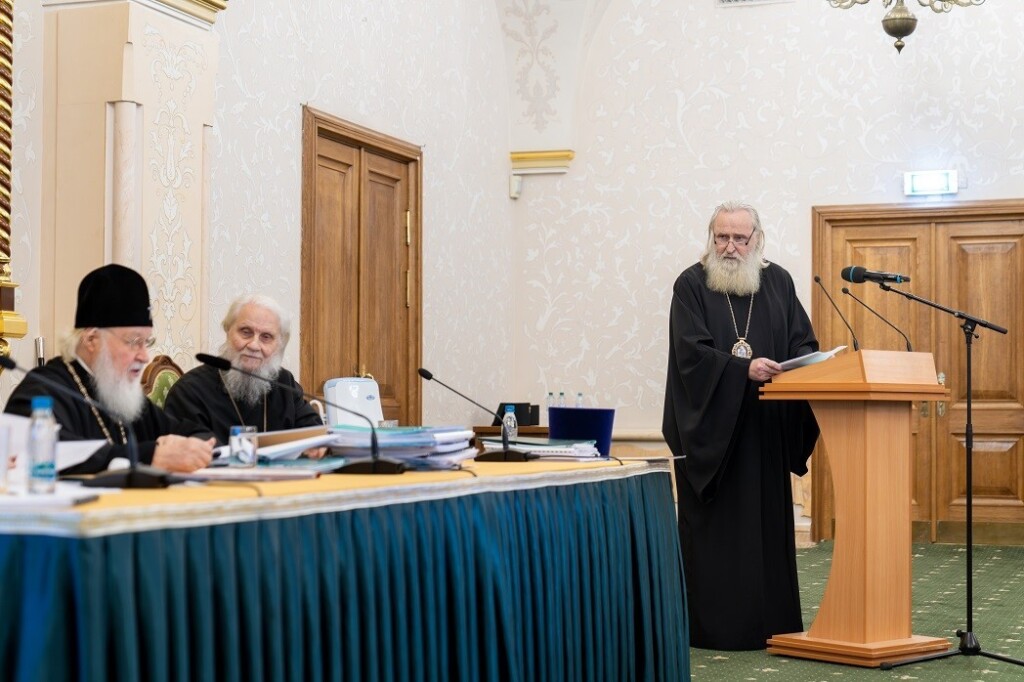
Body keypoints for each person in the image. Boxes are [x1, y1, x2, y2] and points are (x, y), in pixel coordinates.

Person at [662, 201, 820, 651]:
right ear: (711, 237)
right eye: (721, 237)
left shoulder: (779, 282)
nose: (729, 247)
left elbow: (802, 341)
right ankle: (713, 629)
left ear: (757, 240)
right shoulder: (691, 284)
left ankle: (772, 624)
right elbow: (689, 354)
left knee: (764, 534)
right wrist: (740, 370)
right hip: (713, 437)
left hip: (765, 430)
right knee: (718, 537)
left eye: (739, 238)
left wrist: (799, 364)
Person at [5, 264, 216, 474]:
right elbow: (40, 452)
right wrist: (147, 456)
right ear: (91, 339)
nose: (145, 356)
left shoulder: (123, 397)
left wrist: (194, 448)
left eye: (147, 342)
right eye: (134, 341)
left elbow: (195, 433)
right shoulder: (42, 389)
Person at [164, 294, 325, 456]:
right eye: (246, 332)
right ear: (228, 331)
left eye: (266, 337)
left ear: (279, 344)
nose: (254, 345)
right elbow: (190, 453)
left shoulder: (284, 382)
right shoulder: (190, 391)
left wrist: (318, 445)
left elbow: (314, 431)